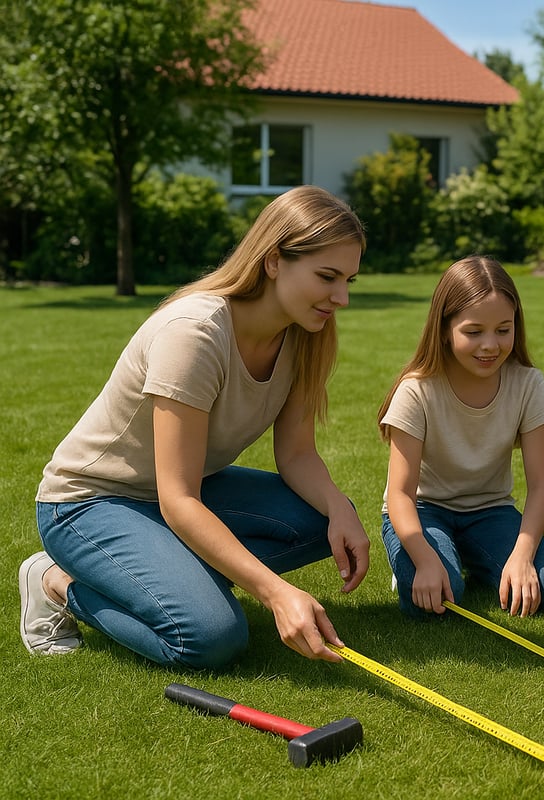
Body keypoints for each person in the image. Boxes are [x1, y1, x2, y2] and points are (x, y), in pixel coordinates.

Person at [18, 185, 370, 669]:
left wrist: (340, 509)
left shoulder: (306, 336)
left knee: (322, 523)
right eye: (327, 276)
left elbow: (296, 455)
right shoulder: (194, 334)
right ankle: (55, 582)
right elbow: (178, 499)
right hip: (88, 502)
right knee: (211, 637)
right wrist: (274, 592)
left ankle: (171, 574)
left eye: (349, 279)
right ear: (273, 261)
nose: (342, 298)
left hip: (175, 495)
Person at [377, 255, 544, 619]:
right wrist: (424, 559)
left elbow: (541, 485)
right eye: (473, 332)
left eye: (503, 330)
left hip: (491, 510)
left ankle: (477, 559)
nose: (490, 345)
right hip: (423, 512)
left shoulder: (527, 384)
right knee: (435, 601)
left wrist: (522, 556)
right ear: (445, 329)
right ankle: (424, 563)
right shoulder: (417, 391)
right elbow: (400, 494)